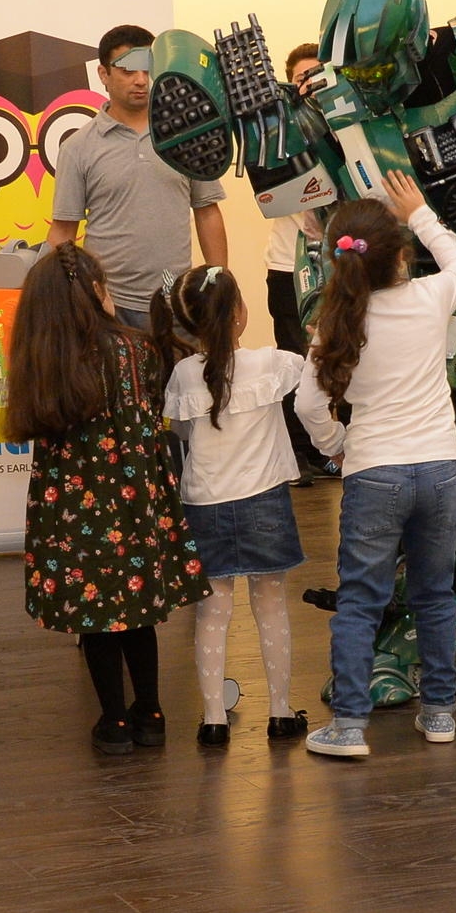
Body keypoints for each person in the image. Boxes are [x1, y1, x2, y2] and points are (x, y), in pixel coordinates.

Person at [294, 171, 456, 757]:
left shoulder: (336, 322)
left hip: (375, 473)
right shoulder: (430, 298)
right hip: (441, 470)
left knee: (360, 601)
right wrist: (420, 211)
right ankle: (441, 714)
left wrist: (337, 446)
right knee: (436, 596)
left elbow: (308, 403)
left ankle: (349, 727)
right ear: (401, 259)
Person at [4, 242, 208, 754]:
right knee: (137, 608)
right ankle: (152, 712)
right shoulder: (137, 350)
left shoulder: (43, 358)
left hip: (75, 506)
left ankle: (114, 721)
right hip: (137, 497)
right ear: (97, 291)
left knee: (97, 617)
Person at [152, 264, 307, 747]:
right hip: (265, 500)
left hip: (204, 504)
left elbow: (179, 428)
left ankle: (213, 719)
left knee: (212, 614)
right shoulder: (272, 363)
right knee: (271, 607)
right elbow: (313, 378)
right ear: (240, 313)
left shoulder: (181, 373)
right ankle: (280, 713)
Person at [46, 25, 227, 330]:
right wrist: (54, 300)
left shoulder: (189, 135)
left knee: (186, 378)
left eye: (147, 69)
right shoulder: (78, 147)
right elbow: (63, 232)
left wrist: (221, 284)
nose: (141, 80)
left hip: (178, 302)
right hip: (109, 309)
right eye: (128, 71)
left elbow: (208, 212)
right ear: (103, 74)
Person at [265, 42, 333, 485]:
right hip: (289, 269)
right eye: (300, 77)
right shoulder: (277, 133)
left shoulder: (344, 124)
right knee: (295, 361)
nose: (308, 83)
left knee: (337, 360)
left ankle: (333, 447)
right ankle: (299, 456)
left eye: (316, 74)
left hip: (342, 268)